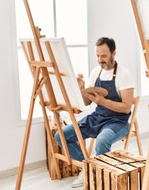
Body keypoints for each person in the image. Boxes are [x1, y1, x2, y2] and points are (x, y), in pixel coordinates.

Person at [54, 37, 134, 188]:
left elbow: (126, 108)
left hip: (118, 122)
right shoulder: (96, 72)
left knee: (102, 140)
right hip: (97, 118)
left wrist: (103, 102)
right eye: (97, 56)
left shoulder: (124, 74)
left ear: (113, 53)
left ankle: (100, 179)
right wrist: (81, 87)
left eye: (103, 56)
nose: (100, 59)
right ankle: (88, 169)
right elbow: (86, 102)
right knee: (61, 135)